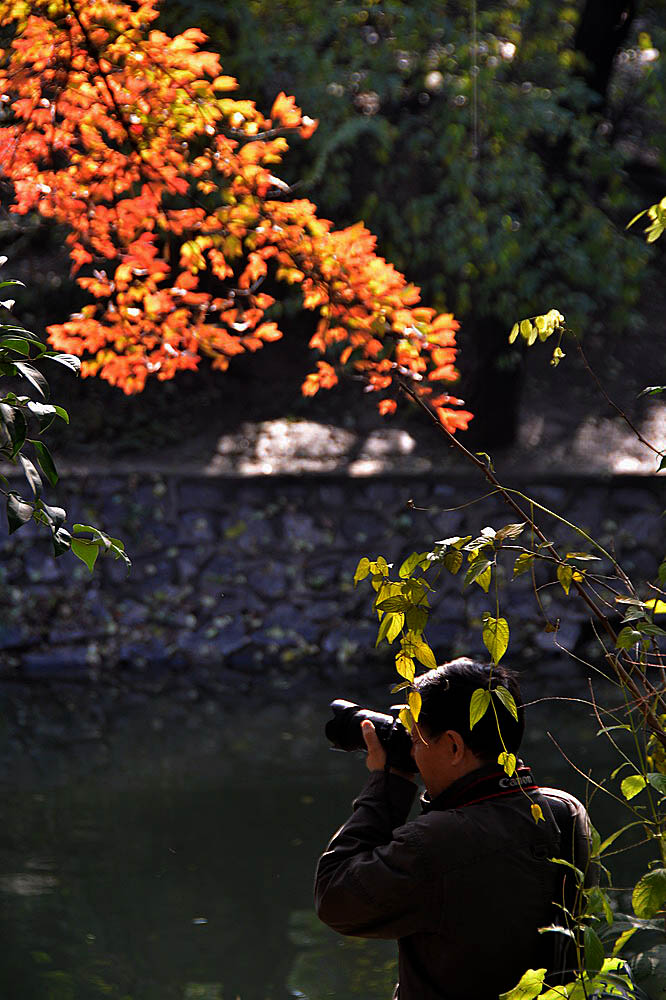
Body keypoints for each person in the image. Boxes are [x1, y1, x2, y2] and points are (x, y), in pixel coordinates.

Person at [314, 658, 595, 1000]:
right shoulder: (565, 811)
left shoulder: (437, 842)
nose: (413, 753)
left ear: (453, 746)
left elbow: (334, 899)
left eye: (416, 740)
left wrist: (390, 783)